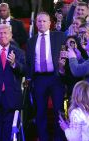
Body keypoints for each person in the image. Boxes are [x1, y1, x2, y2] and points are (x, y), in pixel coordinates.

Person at [26, 12, 66, 141]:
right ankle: (43, 138)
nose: (41, 23)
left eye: (44, 21)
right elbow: (28, 62)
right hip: (39, 79)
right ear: (36, 23)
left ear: (50, 23)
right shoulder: (31, 41)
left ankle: (58, 138)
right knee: (40, 111)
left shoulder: (59, 36)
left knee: (58, 111)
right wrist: (28, 78)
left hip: (56, 78)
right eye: (39, 21)